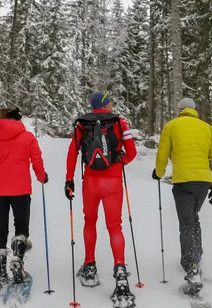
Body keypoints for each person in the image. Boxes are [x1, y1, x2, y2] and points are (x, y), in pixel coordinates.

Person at [65, 91, 137, 304]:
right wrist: (120, 162)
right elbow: (132, 153)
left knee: (90, 221)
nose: (112, 105)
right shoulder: (119, 122)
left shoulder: (82, 124)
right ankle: (120, 270)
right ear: (104, 105)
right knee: (115, 227)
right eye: (110, 102)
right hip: (113, 181)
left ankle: (89, 266)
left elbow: (72, 152)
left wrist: (69, 179)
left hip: (91, 182)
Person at [152, 97, 212, 294]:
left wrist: (158, 173)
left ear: (179, 110)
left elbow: (162, 153)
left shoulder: (171, 126)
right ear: (194, 110)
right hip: (203, 183)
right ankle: (197, 257)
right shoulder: (207, 128)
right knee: (193, 217)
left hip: (183, 182)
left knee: (186, 222)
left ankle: (192, 268)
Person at [0, 105, 48, 297]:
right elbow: (36, 160)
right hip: (21, 190)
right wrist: (42, 177)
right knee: (21, 228)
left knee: (0, 231)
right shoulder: (27, 137)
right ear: (18, 119)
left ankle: (0, 275)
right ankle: (17, 260)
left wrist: (0, 167)